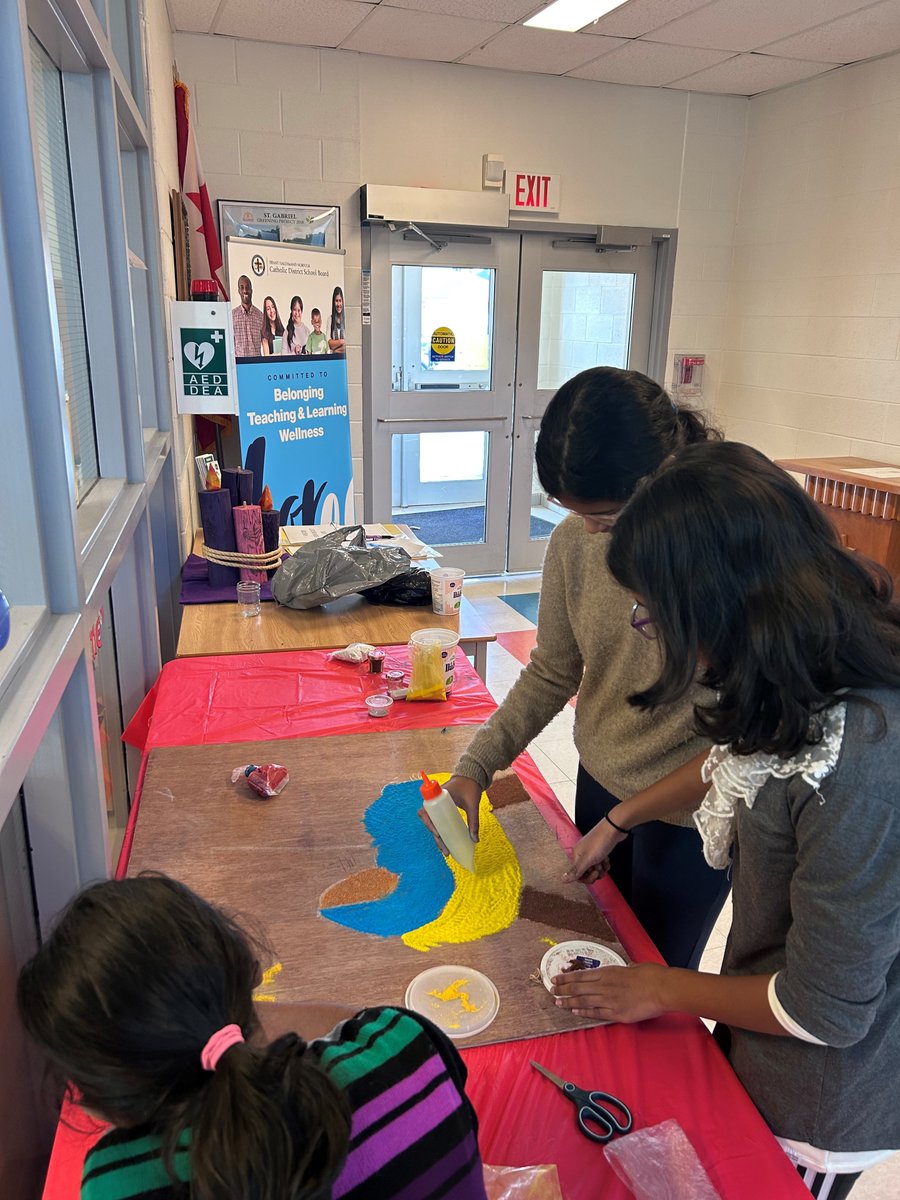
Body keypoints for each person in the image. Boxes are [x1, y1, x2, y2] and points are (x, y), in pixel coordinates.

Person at [555, 441, 900, 1199]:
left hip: (818, 1091)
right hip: (763, 1028)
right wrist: (621, 819)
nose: (647, 626)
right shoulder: (803, 662)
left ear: (717, 602)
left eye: (653, 612)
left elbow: (824, 1010)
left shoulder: (861, 762)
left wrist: (666, 987)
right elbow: (742, 760)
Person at [443, 366, 729, 970]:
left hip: (689, 814)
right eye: (579, 515)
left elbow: (746, 744)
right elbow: (553, 670)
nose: (594, 533)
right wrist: (476, 766)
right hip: (602, 782)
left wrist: (626, 820)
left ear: (660, 480)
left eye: (607, 517)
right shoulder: (575, 542)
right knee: (592, 957)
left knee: (656, 980)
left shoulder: (719, 556)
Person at [17, 874, 488, 1200]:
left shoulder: (117, 1181)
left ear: (105, 1102)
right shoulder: (406, 1047)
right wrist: (227, 1014)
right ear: (249, 969)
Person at [231, 275, 264, 358]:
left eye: (247, 287)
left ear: (251, 290)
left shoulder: (261, 317)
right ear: (239, 291)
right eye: (242, 287)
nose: (245, 290)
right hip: (239, 366)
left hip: (256, 365)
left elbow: (265, 343)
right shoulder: (232, 316)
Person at [326, 285, 345, 353]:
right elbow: (329, 343)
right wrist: (342, 342)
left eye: (340, 301)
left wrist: (335, 350)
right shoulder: (330, 319)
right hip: (334, 359)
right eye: (336, 301)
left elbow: (349, 345)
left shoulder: (347, 320)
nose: (338, 304)